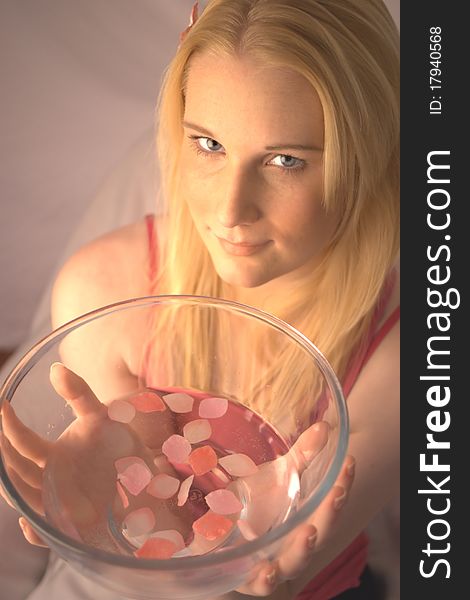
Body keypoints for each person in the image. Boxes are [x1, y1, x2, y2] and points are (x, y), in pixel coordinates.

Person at [0, 0, 399, 598]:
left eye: (285, 160)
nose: (229, 210)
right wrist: (113, 505)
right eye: (209, 144)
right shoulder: (104, 289)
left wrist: (258, 551)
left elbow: (283, 568)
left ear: (366, 160)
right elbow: (158, 528)